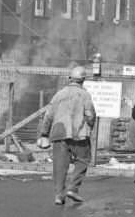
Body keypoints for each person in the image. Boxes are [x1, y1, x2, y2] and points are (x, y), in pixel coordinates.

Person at [37, 64, 97, 205]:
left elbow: (48, 116)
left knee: (59, 165)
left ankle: (59, 195)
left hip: (59, 133)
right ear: (83, 80)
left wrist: (44, 134)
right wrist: (90, 127)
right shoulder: (85, 95)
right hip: (79, 135)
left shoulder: (59, 94)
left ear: (69, 78)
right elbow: (90, 115)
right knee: (83, 159)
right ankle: (73, 189)